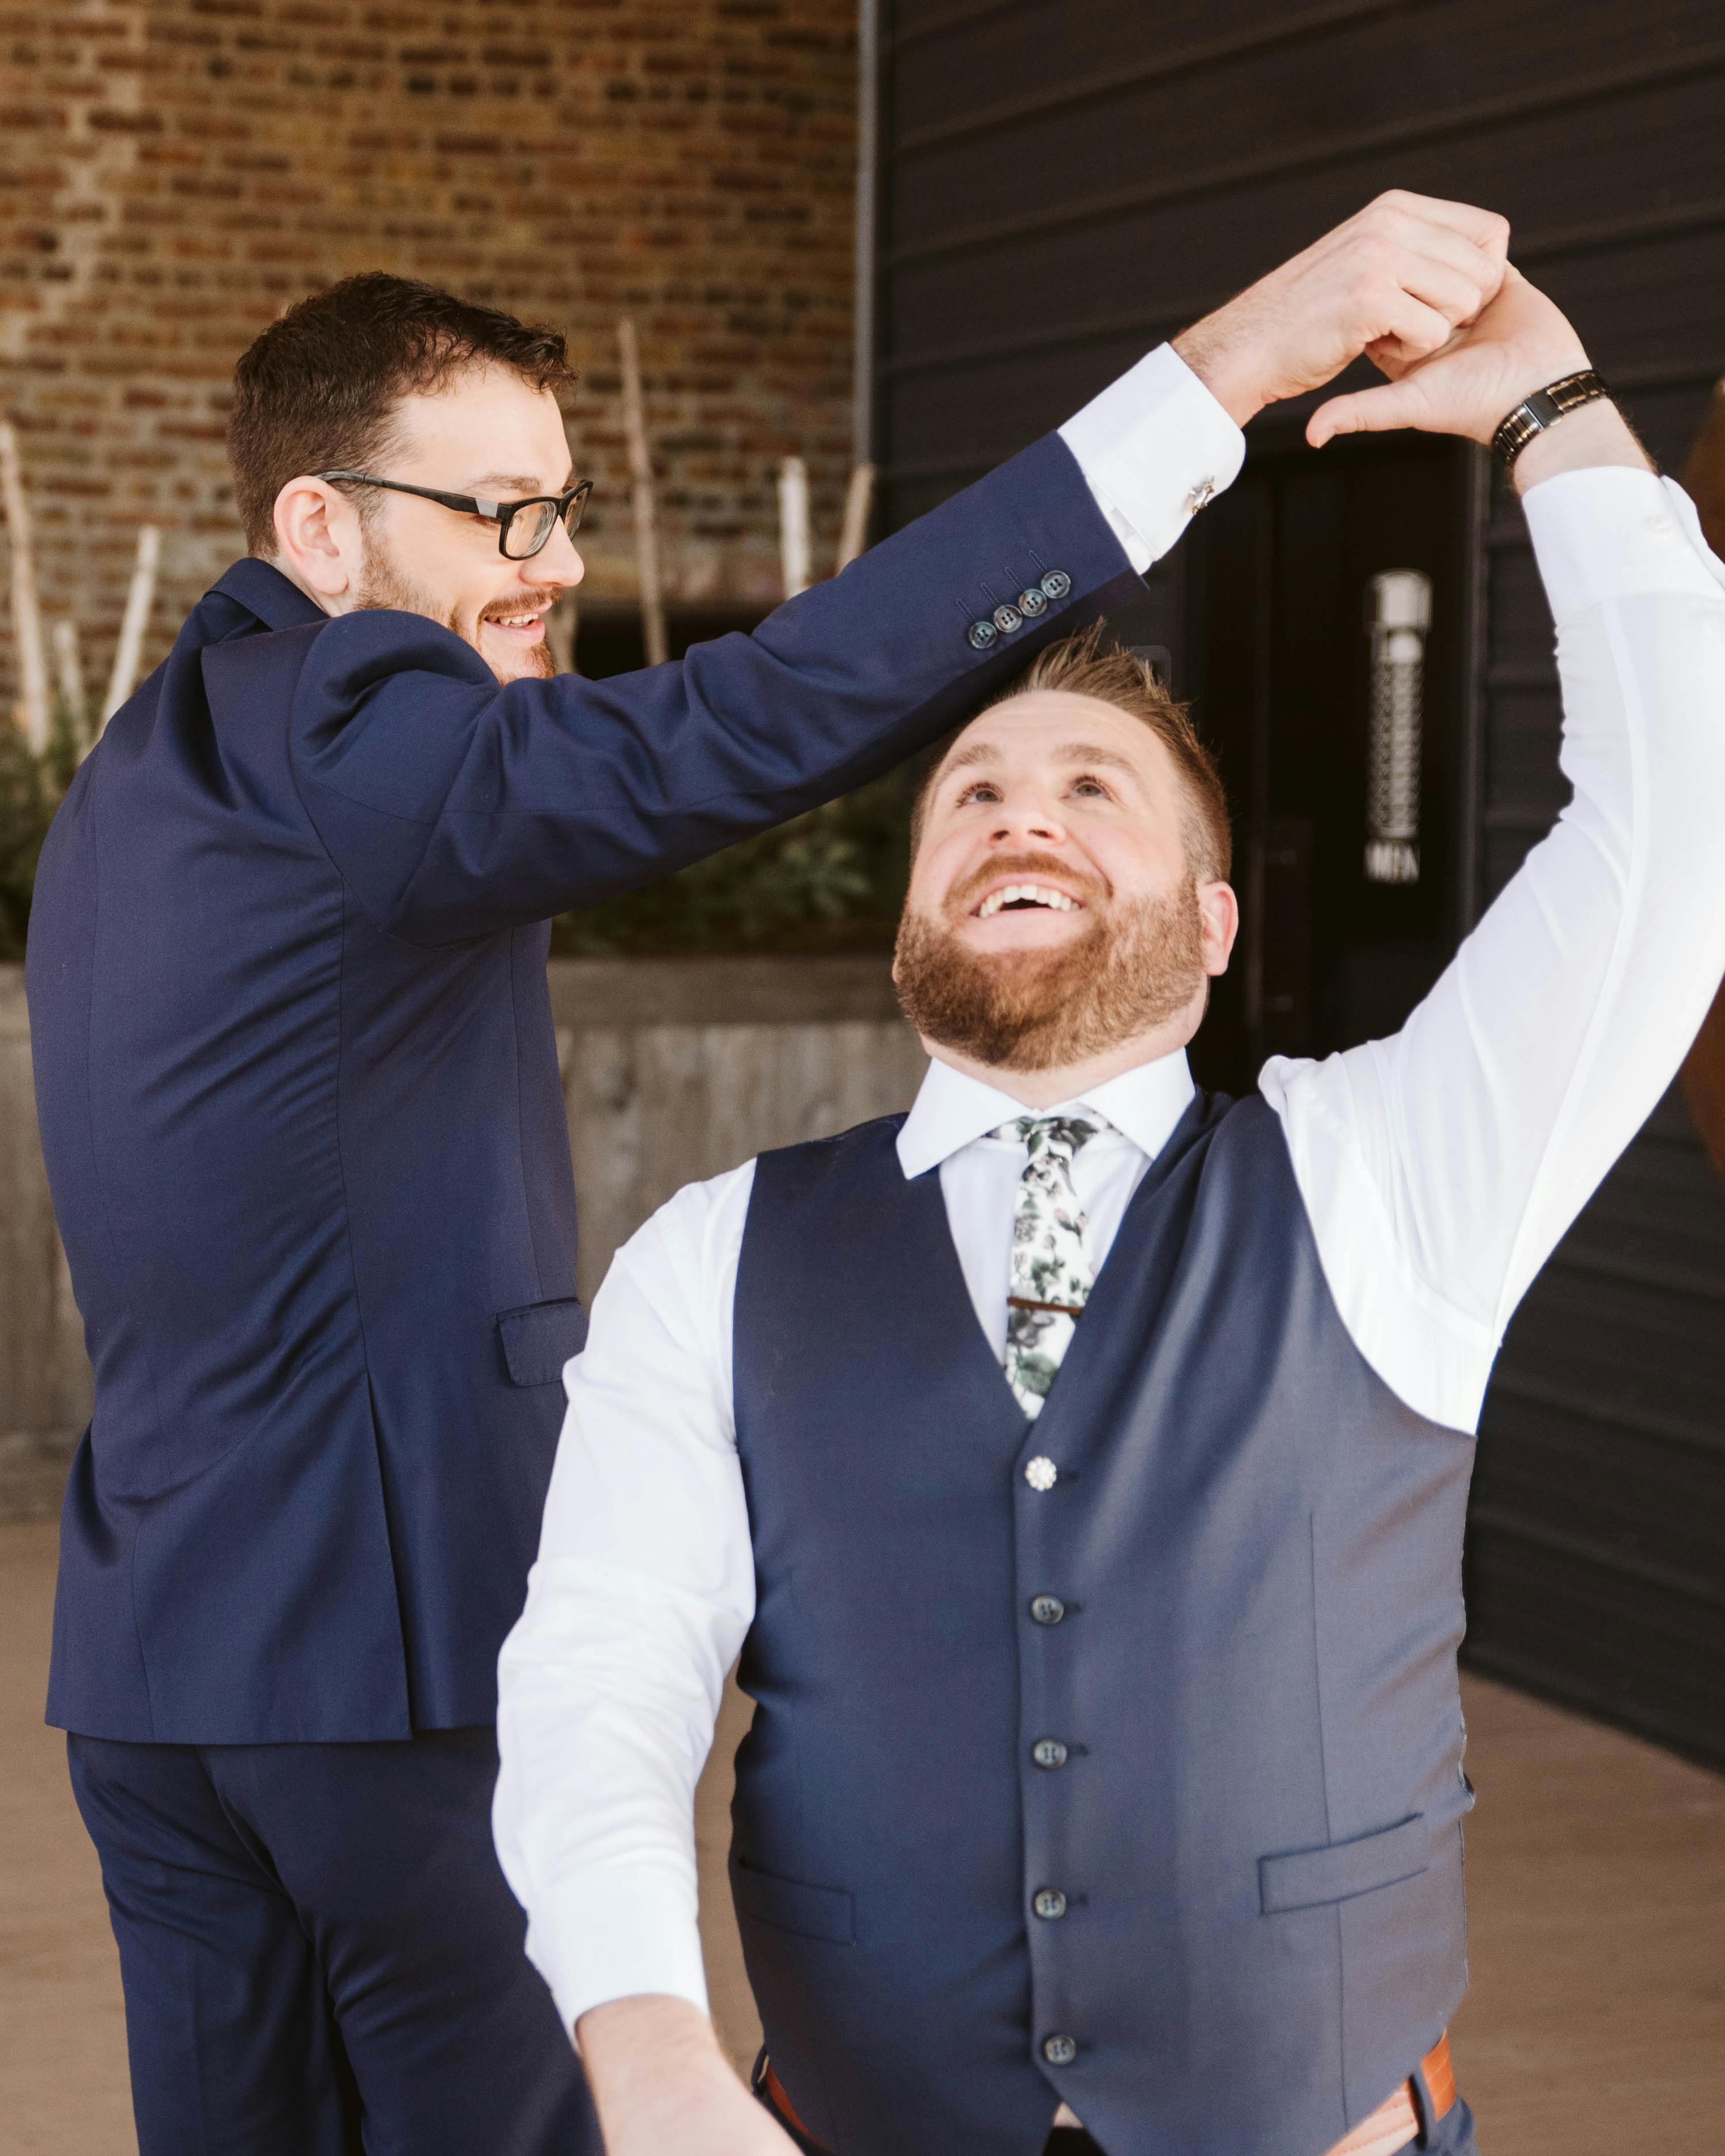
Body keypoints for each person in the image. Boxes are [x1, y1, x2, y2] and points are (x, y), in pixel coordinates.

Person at [24, 200, 1494, 2155]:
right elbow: (754, 713)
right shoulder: (357, 730)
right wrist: (1223, 378)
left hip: (159, 1676)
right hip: (381, 1673)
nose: (557, 565)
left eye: (563, 508)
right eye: (501, 517)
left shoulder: (144, 772)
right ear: (318, 532)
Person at [493, 256, 1725, 2156]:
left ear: (1217, 925)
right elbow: (605, 1671)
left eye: (1093, 787)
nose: (1020, 811)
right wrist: (645, 2041)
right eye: (970, 795)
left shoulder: (1389, 1173)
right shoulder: (713, 1259)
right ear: (912, 926)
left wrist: (1555, 418)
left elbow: (1677, 822)